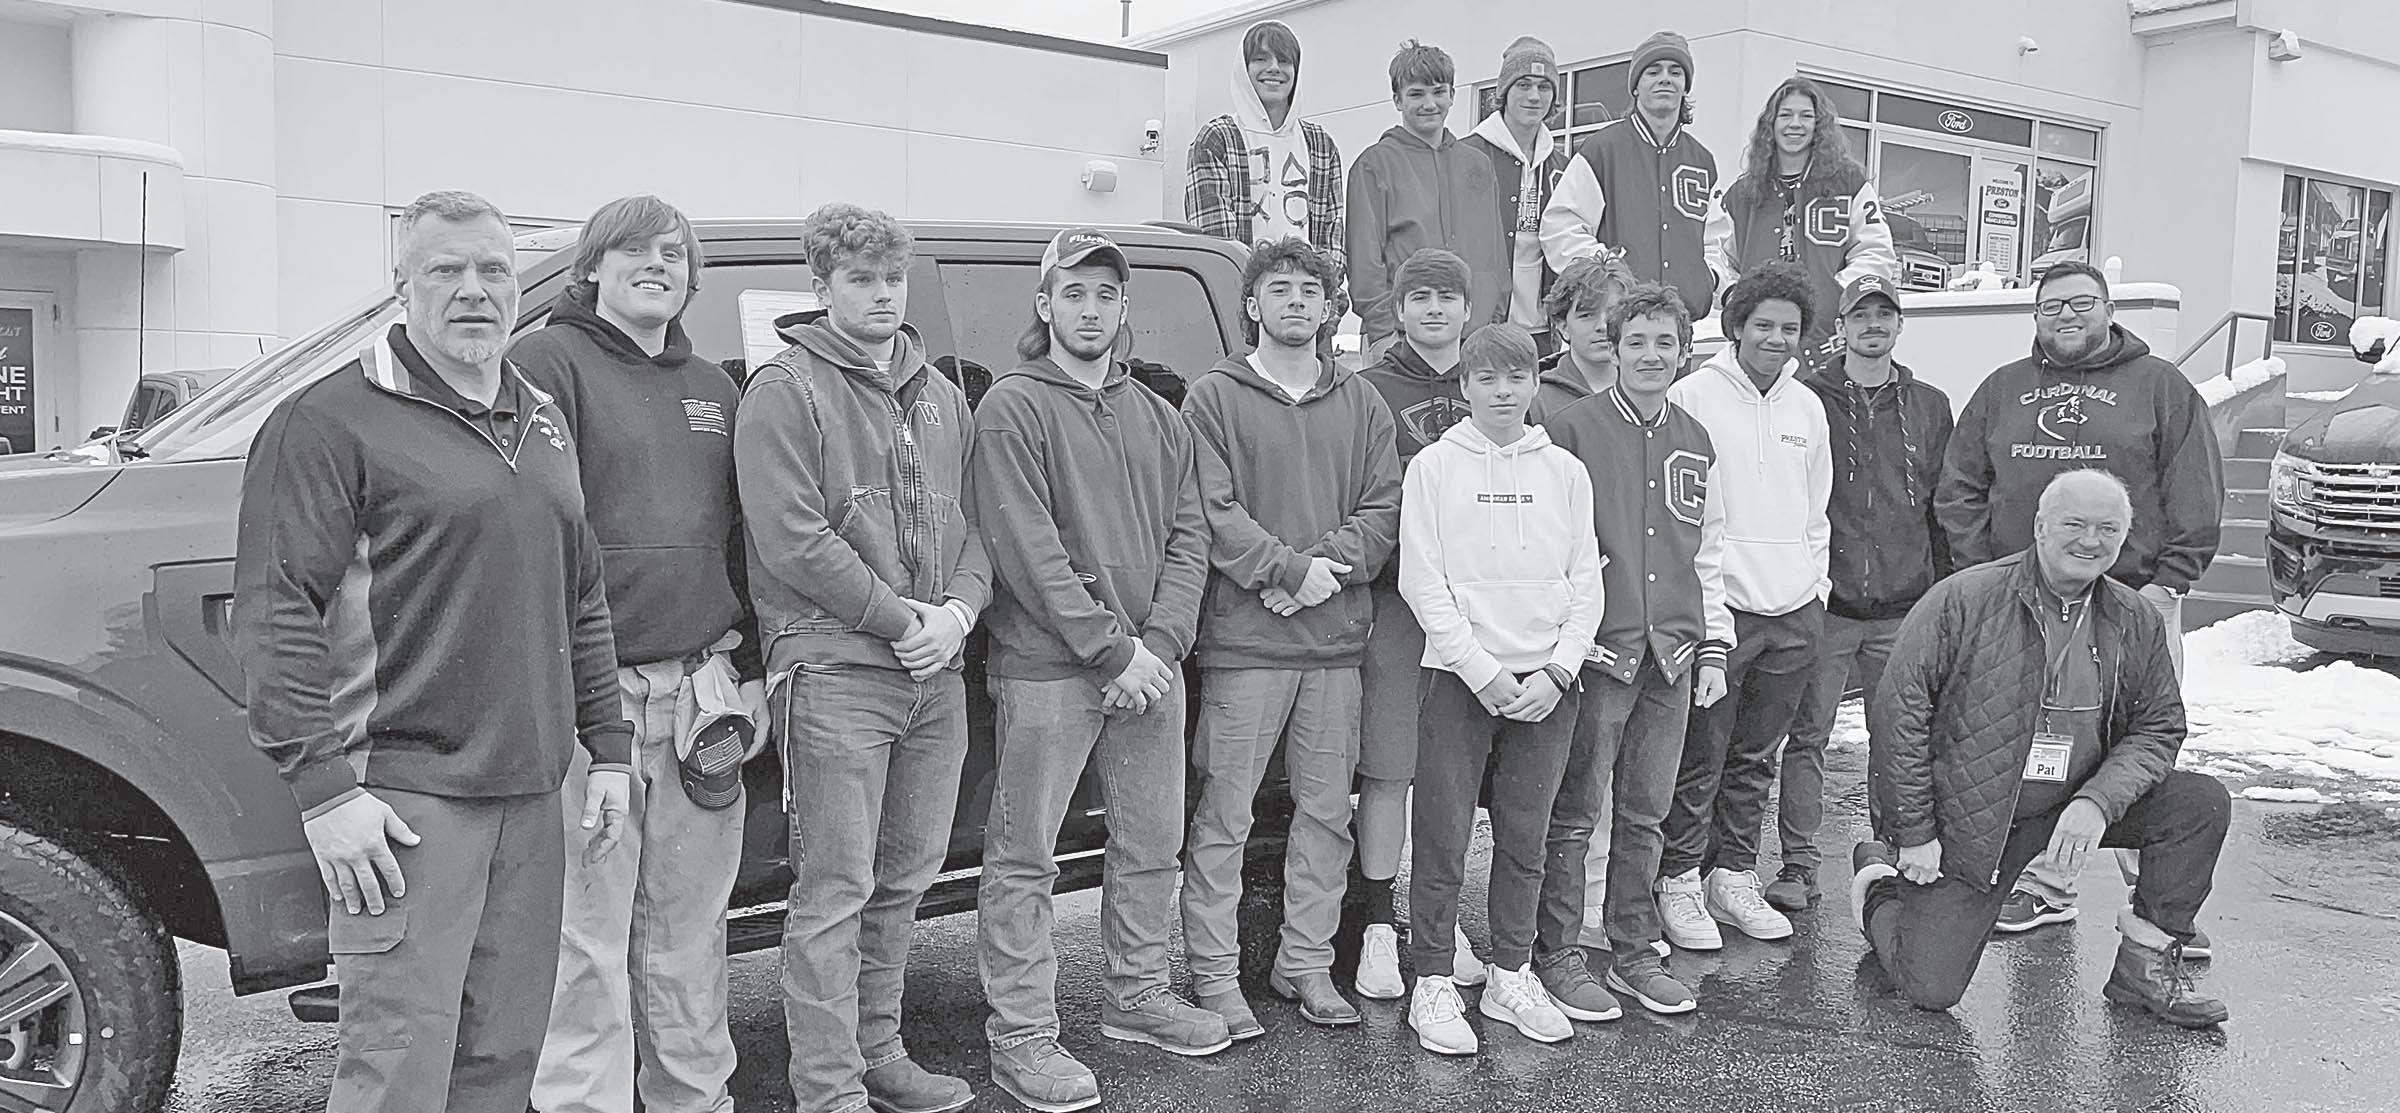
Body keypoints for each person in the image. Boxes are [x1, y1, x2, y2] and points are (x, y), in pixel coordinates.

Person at [233, 189, 633, 1113]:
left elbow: (580, 594)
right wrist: (326, 793)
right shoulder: (328, 421)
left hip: (531, 797)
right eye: (446, 270)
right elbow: (274, 612)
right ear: (400, 285)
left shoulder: (542, 418)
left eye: (493, 270)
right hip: (403, 806)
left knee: (502, 1060)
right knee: (398, 1070)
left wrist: (608, 748)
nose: (473, 290)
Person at [734, 203, 991, 1113]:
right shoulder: (785, 388)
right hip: (835, 667)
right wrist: (896, 618)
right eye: (860, 279)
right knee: (835, 887)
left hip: (934, 671)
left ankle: (879, 1050)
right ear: (822, 285)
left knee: (907, 876)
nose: (882, 295)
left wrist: (958, 611)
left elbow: (978, 522)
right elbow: (790, 536)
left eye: (892, 278)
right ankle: (829, 1086)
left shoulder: (942, 395)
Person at [512, 195, 763, 1113]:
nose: (657, 264)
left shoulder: (715, 390)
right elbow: (528, 531)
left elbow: (745, 539)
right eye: (634, 249)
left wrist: (751, 668)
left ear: (692, 277)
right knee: (585, 934)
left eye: (673, 252)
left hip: (701, 698)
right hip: (592, 701)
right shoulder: (544, 364)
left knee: (691, 928)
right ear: (592, 267)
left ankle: (695, 1097)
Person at [972, 228, 1221, 1112]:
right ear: (1044, 304)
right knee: (1024, 857)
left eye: (1105, 294)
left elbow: (1191, 537)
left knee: (1153, 843)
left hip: (1152, 667)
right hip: (1050, 670)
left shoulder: (1159, 416)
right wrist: (1114, 649)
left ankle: (1137, 993)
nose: (1089, 309)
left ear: (1124, 308)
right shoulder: (1012, 408)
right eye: (1072, 293)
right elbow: (1027, 549)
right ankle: (1022, 1034)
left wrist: (1163, 645)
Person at [1855, 469, 2231, 1029]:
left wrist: (2097, 801)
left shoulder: (2134, 618)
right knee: (1929, 988)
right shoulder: (1964, 599)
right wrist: (1913, 832)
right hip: (1975, 819)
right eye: (2074, 524)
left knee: (2198, 803)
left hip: (2072, 797)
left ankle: (2143, 968)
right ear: (2039, 527)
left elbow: (2158, 728)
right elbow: (1898, 717)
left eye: (2108, 528)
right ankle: (1878, 884)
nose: (2090, 541)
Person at [1935, 260, 2223, 937]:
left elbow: (2195, 486)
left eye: (2082, 303)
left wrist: (2168, 582)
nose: (2067, 315)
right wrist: (1987, 577)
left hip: (2135, 602)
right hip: (2021, 608)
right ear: (2036, 316)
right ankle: (2047, 884)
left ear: (2109, 310)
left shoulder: (2160, 387)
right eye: (2052, 306)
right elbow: (1961, 487)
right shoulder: (2003, 389)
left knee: (2138, 748)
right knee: (2037, 743)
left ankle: (2159, 899)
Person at [1179, 236, 1401, 1037]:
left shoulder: (1361, 402)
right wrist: (1282, 569)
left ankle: (1304, 961)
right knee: (1225, 818)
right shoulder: (1213, 397)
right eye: (1280, 288)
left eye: (1310, 289)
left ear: (1330, 306)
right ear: (1252, 304)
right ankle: (1214, 977)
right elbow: (1210, 507)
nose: (1297, 301)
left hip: (1334, 646)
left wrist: (1318, 572)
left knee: (1325, 816)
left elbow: (1383, 506)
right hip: (1246, 646)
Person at [1399, 322, 1602, 1056]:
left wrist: (1559, 670)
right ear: (1464, 387)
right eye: (1486, 378)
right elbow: (1420, 579)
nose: (1503, 391)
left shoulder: (1565, 472)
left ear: (1535, 384)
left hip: (1548, 686)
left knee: (1526, 837)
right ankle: (1432, 980)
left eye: (1516, 377)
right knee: (1443, 834)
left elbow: (1587, 579)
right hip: (1459, 681)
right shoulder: (1434, 467)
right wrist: (1480, 671)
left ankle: (1511, 972)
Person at [1539, 282, 1732, 1018]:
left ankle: (1632, 948)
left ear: (1685, 353)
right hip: (1598, 652)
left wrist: (1713, 648)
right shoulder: (1571, 430)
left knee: (1646, 812)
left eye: (1665, 343)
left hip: (1672, 656)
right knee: (1576, 810)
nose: (1652, 355)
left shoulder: (1696, 439)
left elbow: (1708, 551)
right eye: (1637, 342)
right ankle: (1558, 952)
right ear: (1613, 349)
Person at [1765, 275, 1953, 915]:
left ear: (1899, 324)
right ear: (1841, 326)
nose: (1874, 324)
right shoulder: (1807, 399)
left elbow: (1943, 504)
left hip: (1904, 606)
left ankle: (1893, 852)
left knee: (1898, 739)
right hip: (1828, 605)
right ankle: (1799, 862)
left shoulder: (1930, 405)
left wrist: (1942, 592)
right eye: (1861, 315)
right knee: (1806, 737)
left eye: (1885, 314)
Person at [1657, 262, 1829, 950]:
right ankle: (1678, 879)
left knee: (1756, 758)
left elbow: (1816, 510)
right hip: (1720, 609)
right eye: (1763, 325)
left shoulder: (1807, 407)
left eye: (1789, 328)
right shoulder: (1693, 396)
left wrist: (1814, 590)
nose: (1776, 339)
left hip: (1793, 612)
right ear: (1736, 326)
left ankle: (1731, 874)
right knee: (1701, 755)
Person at [1352, 248, 1486, 999]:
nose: (1435, 309)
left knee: (1449, 773)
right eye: (1420, 296)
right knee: (1389, 765)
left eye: (1447, 296)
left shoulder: (1492, 383)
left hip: (1476, 610)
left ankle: (1440, 915)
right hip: (1399, 604)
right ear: (1398, 309)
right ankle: (1379, 921)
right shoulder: (1369, 389)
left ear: (1469, 308)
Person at [1707, 76, 1897, 367]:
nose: (1795, 124)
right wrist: (1735, 297)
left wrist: (1838, 293)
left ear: (1818, 125)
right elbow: (1721, 258)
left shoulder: (1849, 184)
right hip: (1760, 341)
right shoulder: (1742, 195)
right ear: (1770, 124)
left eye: (1806, 116)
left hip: (1828, 341)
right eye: (1785, 115)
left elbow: (1876, 252)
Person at [1541, 30, 1722, 319]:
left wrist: (1708, 277)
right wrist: (1608, 270)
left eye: (1675, 72)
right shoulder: (1602, 150)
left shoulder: (1701, 160)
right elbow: (1560, 228)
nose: (1665, 78)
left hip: (1684, 323)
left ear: (1685, 86)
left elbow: (1716, 240)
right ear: (1636, 86)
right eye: (1653, 71)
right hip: (1620, 322)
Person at [1345, 39, 1508, 349]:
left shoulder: (1478, 164)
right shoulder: (1374, 164)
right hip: (1400, 336)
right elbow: (1364, 259)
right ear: (1397, 100)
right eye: (1416, 94)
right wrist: (1383, 332)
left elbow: (1495, 253)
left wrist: (1494, 320)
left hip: (1474, 335)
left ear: (1452, 95)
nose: (1429, 104)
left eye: (1438, 92)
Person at [1184, 19, 1344, 259]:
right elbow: (1216, 244)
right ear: (1243, 69)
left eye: (1284, 60)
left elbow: (1333, 240)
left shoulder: (1321, 144)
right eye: (1261, 59)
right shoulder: (1217, 139)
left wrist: (1315, 278)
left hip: (1309, 282)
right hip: (1238, 281)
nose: (1274, 68)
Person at [1462, 36, 1570, 351]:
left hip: (1542, 330)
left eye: (1544, 87)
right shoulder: (1465, 156)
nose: (1534, 96)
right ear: (1504, 91)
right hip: (1478, 326)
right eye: (1523, 85)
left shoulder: (1563, 168)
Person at [1535, 253, 1639, 417]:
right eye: (1587, 315)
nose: (1602, 326)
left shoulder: (1650, 388)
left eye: (1614, 313)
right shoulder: (1537, 400)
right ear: (1563, 326)